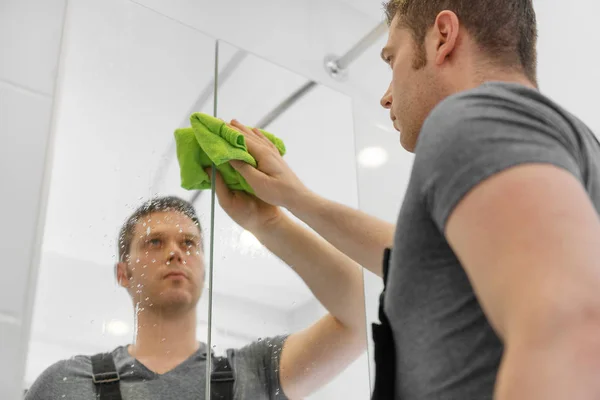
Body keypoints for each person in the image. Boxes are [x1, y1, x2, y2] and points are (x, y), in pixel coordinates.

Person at [220, 1, 600, 399]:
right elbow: (420, 257)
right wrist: (294, 201)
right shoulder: (566, 146)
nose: (386, 98)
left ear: (443, 37)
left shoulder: (473, 120)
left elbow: (568, 324)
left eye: (391, 59)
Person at [25, 196, 368, 400]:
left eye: (188, 243)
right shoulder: (66, 384)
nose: (175, 253)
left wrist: (267, 220)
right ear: (123, 274)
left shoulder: (255, 371)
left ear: (203, 269)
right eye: (155, 242)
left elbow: (360, 317)